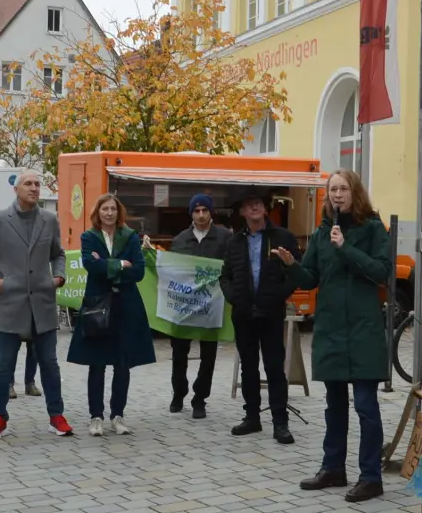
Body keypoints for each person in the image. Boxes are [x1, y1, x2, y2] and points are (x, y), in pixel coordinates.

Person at [278, 169, 392, 503]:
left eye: (343, 189)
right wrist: (291, 265)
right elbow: (311, 277)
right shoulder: (322, 232)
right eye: (333, 190)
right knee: (334, 405)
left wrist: (345, 248)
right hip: (332, 330)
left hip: (363, 330)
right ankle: (333, 468)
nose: (337, 195)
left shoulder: (373, 228)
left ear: (355, 192)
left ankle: (371, 477)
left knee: (366, 406)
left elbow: (381, 271)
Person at [0, 171, 73, 441]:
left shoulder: (49, 220)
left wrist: (59, 277)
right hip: (9, 303)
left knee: (49, 364)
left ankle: (56, 416)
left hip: (42, 303)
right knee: (1, 366)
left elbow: (58, 254)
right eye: (28, 183)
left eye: (37, 184)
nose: (34, 188)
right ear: (16, 189)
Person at [68, 194, 154, 437]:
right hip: (98, 306)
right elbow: (90, 265)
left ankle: (118, 415)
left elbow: (138, 271)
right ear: (98, 212)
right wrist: (120, 264)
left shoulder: (130, 236)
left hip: (126, 306)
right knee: (97, 364)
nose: (109, 213)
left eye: (113, 209)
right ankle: (96, 416)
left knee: (122, 364)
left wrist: (106, 264)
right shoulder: (89, 237)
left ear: (119, 212)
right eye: (104, 209)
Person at [220, 189, 300, 445]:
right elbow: (225, 275)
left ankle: (280, 423)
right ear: (242, 211)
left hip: (271, 312)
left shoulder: (283, 237)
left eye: (258, 203)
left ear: (266, 209)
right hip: (243, 313)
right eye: (249, 204)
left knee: (275, 367)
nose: (254, 207)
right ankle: (252, 417)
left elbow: (296, 272)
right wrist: (234, 297)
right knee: (249, 368)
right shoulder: (234, 241)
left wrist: (279, 294)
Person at [165, 193, 231, 419]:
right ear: (191, 213)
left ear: (211, 212)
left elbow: (231, 266)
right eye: (196, 211)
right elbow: (171, 269)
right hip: (184, 306)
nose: (201, 215)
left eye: (204, 210)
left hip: (211, 306)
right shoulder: (180, 240)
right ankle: (178, 393)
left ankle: (200, 398)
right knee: (179, 352)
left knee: (209, 355)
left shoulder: (224, 237)